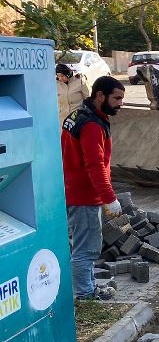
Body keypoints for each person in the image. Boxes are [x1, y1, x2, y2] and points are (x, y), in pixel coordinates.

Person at [60, 75, 125, 300]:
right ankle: (85, 295)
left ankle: (88, 287)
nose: (120, 103)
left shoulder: (79, 115)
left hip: (74, 190)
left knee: (84, 246)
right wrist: (109, 197)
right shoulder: (92, 126)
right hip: (84, 196)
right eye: (116, 98)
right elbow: (95, 165)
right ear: (100, 95)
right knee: (86, 249)